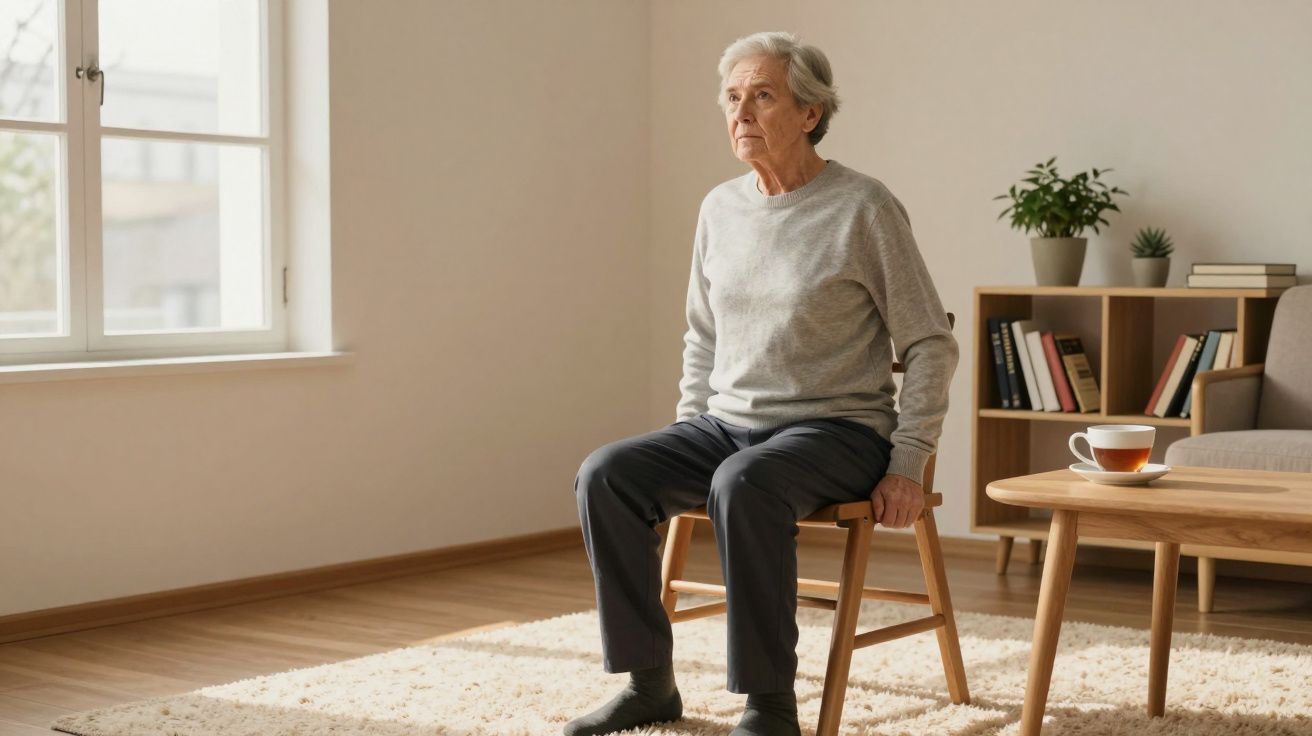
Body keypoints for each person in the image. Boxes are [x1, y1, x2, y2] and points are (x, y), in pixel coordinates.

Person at [566, 30, 958, 736]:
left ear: (810, 112)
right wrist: (689, 422)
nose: (741, 112)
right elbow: (703, 335)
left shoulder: (863, 207)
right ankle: (649, 683)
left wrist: (909, 460)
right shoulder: (720, 208)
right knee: (606, 474)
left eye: (763, 95)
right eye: (732, 97)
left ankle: (769, 706)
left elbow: (930, 341)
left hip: (838, 431)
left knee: (743, 483)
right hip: (727, 427)